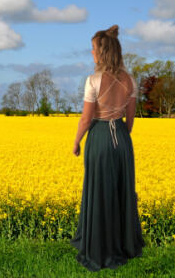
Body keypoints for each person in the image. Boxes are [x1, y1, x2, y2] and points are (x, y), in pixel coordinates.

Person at [69, 24, 145, 271]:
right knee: (122, 191)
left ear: (103, 53)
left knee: (99, 191)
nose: (91, 53)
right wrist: (122, 137)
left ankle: (98, 247)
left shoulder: (93, 80)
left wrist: (77, 141)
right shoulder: (131, 80)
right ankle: (124, 245)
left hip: (100, 137)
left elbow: (86, 119)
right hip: (122, 139)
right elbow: (130, 119)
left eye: (93, 49)